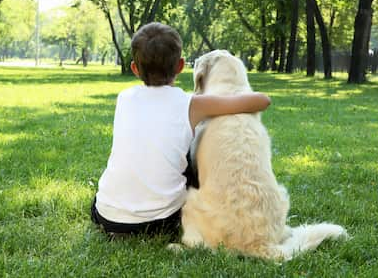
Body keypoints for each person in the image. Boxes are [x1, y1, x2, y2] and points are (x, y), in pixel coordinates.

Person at [91, 22, 270, 240]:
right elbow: (261, 101)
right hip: (161, 222)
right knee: (192, 157)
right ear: (180, 66)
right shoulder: (190, 104)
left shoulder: (124, 98)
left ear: (134, 69)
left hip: (106, 216)